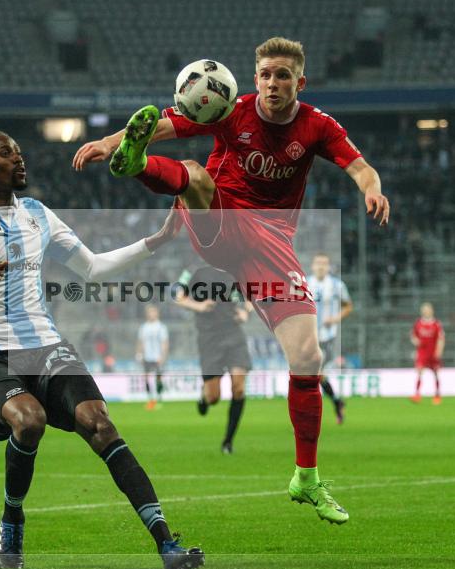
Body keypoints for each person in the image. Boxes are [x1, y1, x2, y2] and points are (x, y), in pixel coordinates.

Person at [74, 36, 390, 525]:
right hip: (221, 221)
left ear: (299, 82)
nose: (271, 83)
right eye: (264, 74)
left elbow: (361, 167)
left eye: (282, 75)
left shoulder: (317, 126)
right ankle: (136, 165)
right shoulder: (230, 108)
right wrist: (111, 143)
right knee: (198, 175)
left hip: (272, 244)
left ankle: (306, 477)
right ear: (255, 76)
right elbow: (163, 122)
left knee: (308, 356)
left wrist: (374, 191)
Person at [0, 131, 202, 569]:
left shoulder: (37, 214)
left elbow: (92, 267)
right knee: (29, 420)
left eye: (19, 150)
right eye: (7, 153)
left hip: (44, 345)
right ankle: (12, 517)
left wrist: (159, 239)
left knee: (101, 423)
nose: (19, 158)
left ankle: (167, 543)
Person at [175, 265, 252, 454]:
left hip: (233, 333)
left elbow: (250, 295)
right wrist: (198, 306)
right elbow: (178, 296)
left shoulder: (236, 267)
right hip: (209, 337)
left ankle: (228, 441)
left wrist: (246, 312)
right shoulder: (192, 267)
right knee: (213, 397)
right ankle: (204, 396)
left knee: (239, 388)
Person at [308, 254, 352, 424]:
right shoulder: (304, 283)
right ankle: (337, 401)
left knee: (313, 374)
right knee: (318, 376)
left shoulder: (336, 285)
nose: (321, 266)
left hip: (326, 337)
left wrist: (335, 319)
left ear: (328, 267)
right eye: (318, 263)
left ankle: (307, 419)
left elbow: (348, 306)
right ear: (312, 266)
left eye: (324, 264)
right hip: (308, 337)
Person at [410, 302, 445, 404]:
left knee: (435, 374)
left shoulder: (436, 324)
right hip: (422, 352)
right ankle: (417, 394)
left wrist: (439, 350)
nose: (426, 311)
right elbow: (413, 335)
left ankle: (437, 395)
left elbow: (441, 338)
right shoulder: (418, 323)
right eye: (424, 309)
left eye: (427, 309)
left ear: (431, 311)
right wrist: (415, 340)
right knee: (419, 371)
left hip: (433, 352)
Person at [136, 305, 168, 410]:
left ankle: (159, 398)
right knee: (146, 377)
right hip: (147, 356)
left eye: (153, 312)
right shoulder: (144, 327)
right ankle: (150, 399)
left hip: (157, 356)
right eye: (150, 312)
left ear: (157, 313)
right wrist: (139, 353)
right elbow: (140, 342)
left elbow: (164, 342)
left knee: (158, 378)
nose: (152, 314)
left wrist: (162, 356)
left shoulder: (161, 327)